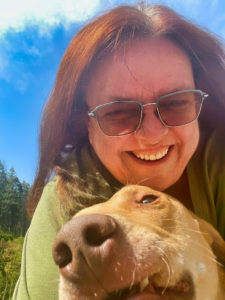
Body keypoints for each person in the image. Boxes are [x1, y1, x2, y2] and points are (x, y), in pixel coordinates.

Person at [13, 3, 225, 300]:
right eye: (118, 112)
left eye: (176, 102)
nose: (153, 134)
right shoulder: (63, 202)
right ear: (87, 126)